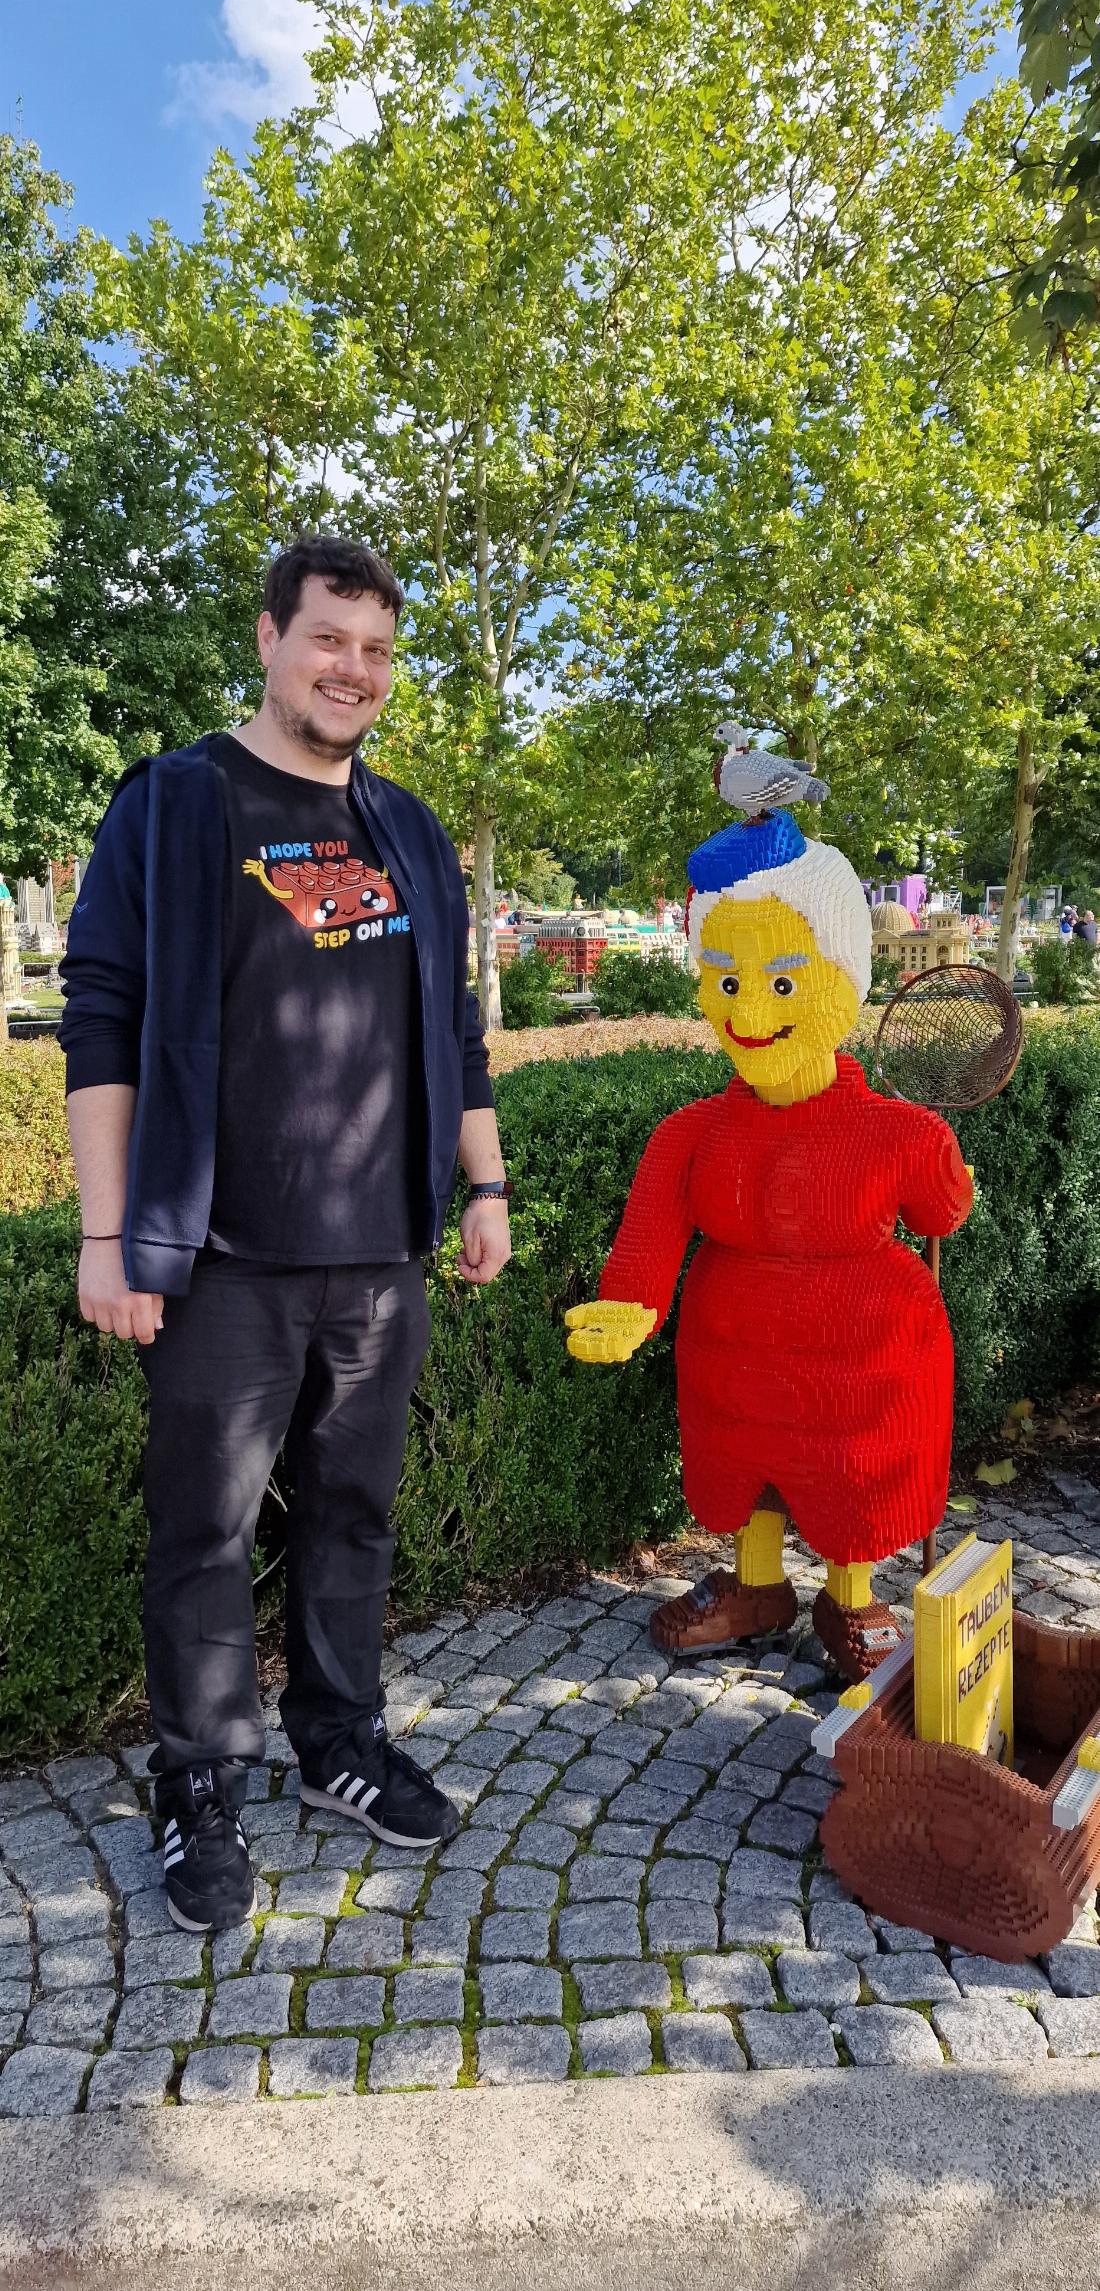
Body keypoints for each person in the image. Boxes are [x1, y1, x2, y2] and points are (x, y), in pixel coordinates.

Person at [59, 537, 512, 1933]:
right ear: (268, 638)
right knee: (203, 1529)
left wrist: (484, 1186)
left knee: (353, 1513)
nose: (351, 669)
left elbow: (455, 1030)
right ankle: (198, 1776)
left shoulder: (410, 831)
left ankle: (337, 1737)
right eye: (327, 638)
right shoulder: (176, 802)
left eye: (376, 650)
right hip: (221, 1257)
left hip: (379, 1255)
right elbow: (102, 1016)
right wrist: (107, 1235)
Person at [566, 785, 972, 1684]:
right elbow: (653, 1225)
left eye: (783, 982)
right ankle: (757, 1588)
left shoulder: (898, 1131)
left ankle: (850, 1594)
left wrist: (948, 1173)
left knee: (850, 1473)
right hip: (736, 1357)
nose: (749, 1013)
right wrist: (630, 1301)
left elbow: (941, 1212)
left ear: (839, 978)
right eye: (728, 980)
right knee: (747, 1465)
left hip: (862, 1358)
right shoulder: (693, 1133)